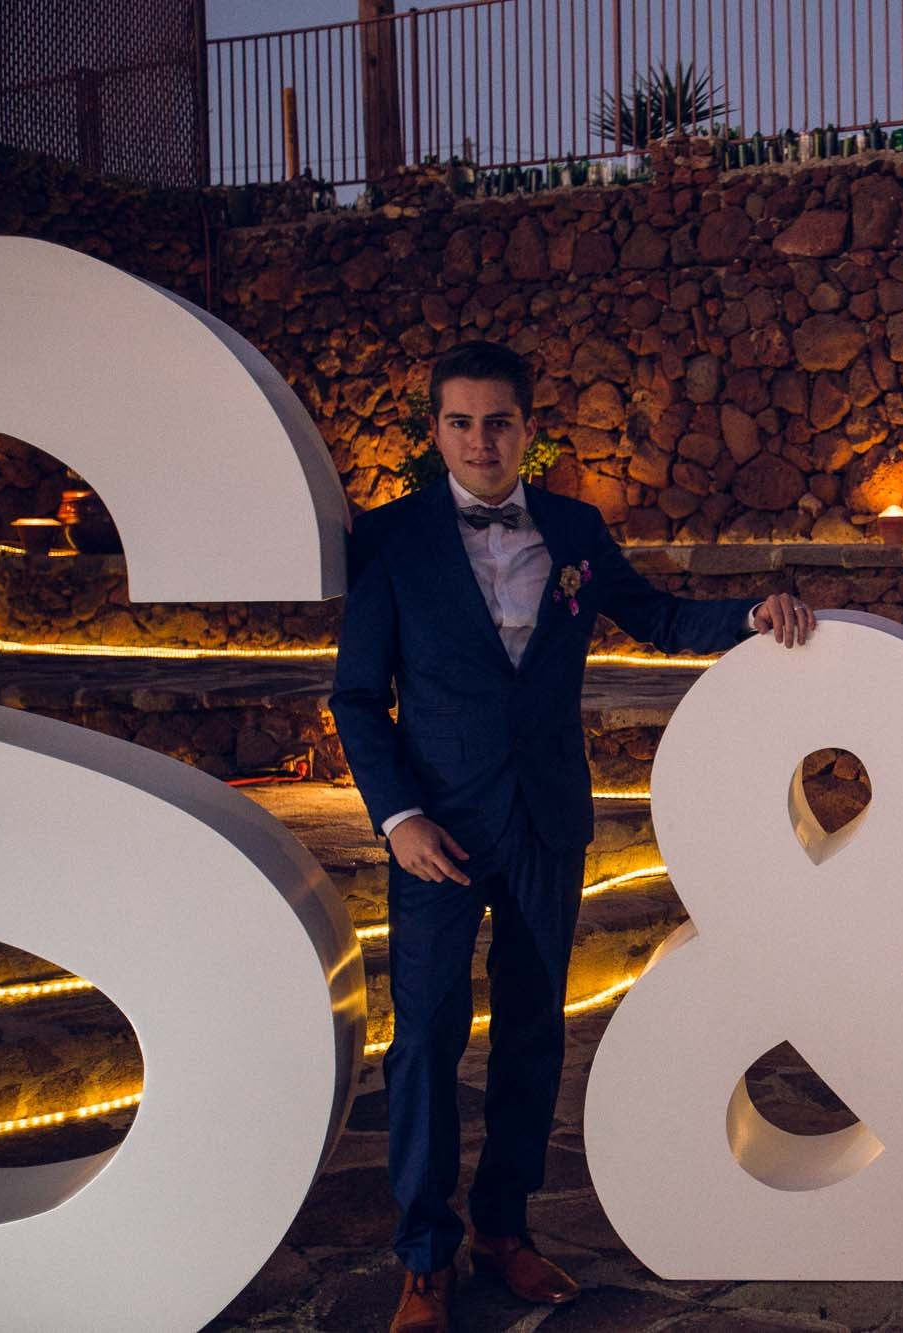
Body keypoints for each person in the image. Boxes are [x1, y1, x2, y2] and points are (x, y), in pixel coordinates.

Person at [330, 340, 816, 1333]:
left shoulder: (575, 528)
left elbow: (657, 615)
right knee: (422, 1038)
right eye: (460, 422)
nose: (479, 439)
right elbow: (353, 696)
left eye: (497, 421)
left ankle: (503, 1230)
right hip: (433, 828)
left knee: (531, 1032)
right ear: (435, 432)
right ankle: (426, 1255)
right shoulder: (388, 541)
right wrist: (399, 816)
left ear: (527, 431)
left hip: (545, 817)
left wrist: (751, 616)